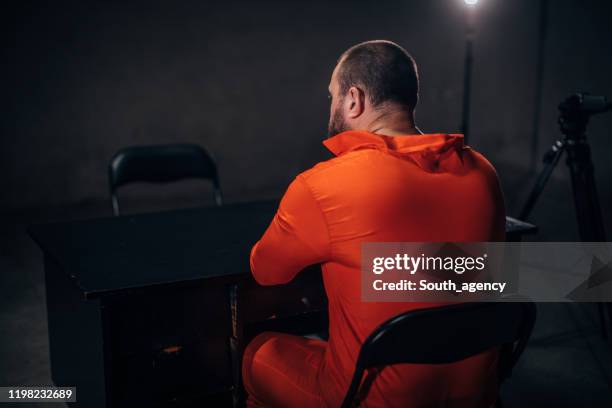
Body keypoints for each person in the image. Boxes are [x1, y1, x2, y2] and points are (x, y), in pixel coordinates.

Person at [242, 40, 506, 407]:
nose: (331, 105)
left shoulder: (322, 185)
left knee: (257, 352)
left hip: (363, 401)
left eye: (333, 95)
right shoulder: (483, 171)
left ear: (354, 99)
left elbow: (265, 272)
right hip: (476, 397)